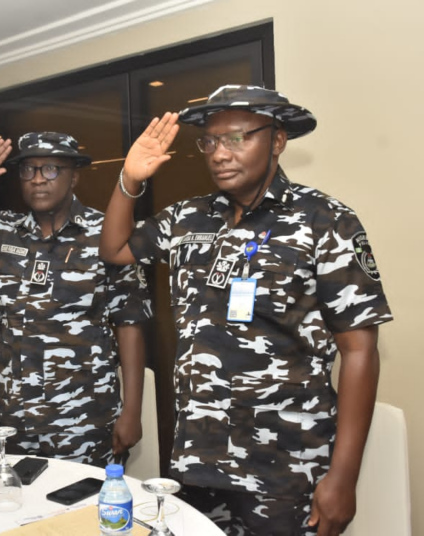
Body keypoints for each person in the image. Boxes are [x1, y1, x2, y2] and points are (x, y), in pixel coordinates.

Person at [99, 85, 393, 535]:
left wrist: (343, 477)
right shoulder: (188, 219)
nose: (219, 153)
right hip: (198, 460)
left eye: (237, 138)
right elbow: (115, 248)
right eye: (211, 141)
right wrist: (130, 179)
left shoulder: (326, 221)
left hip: (286, 470)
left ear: (277, 140)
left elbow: (359, 352)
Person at [0, 132, 152, 467]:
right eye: (28, 170)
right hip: (14, 412)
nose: (38, 179)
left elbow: (130, 324)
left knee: (84, 510)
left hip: (85, 413)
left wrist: (131, 411)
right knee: (19, 507)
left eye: (51, 169)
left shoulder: (107, 233)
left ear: (74, 176)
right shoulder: (1, 230)